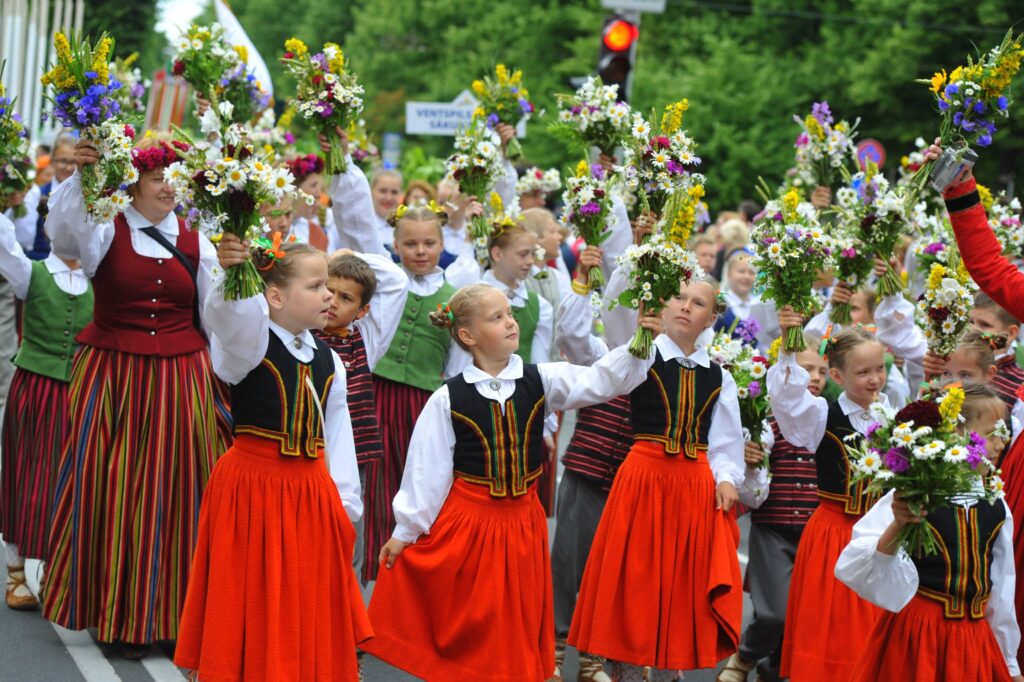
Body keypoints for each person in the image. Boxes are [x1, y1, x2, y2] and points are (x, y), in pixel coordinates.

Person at [361, 283, 659, 681]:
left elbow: (602, 382)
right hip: (470, 524)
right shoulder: (449, 398)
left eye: (509, 314)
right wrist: (407, 530)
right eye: (496, 317)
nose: (510, 322)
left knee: (516, 617)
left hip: (523, 522)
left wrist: (641, 341)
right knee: (475, 620)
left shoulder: (541, 379)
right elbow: (426, 471)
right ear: (467, 336)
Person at [41, 137, 232, 658]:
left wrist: (226, 378)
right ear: (134, 184)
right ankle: (116, 615)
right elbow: (62, 236)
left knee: (178, 491)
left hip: (180, 377)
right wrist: (82, 177)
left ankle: (173, 616)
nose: (168, 187)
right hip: (112, 375)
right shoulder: (106, 228)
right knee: (112, 488)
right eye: (156, 178)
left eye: (175, 178)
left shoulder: (200, 240)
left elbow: (217, 318)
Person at [175, 236, 372, 681]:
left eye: (330, 287)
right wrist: (232, 273)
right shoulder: (247, 345)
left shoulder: (329, 359)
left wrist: (344, 505)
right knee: (252, 592)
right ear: (276, 296)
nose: (329, 296)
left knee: (302, 596)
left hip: (310, 492)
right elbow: (228, 316)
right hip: (253, 487)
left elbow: (337, 438)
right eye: (317, 286)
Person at [569, 275, 745, 681]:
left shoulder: (720, 377)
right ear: (662, 306)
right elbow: (612, 325)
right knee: (636, 581)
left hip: (694, 486)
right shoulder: (642, 354)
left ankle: (669, 671)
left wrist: (727, 478)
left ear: (711, 319)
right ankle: (627, 672)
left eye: (698, 303)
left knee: (682, 586)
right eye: (679, 298)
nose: (685, 306)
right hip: (644, 478)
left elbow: (724, 442)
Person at [325, 128, 469, 581]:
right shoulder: (385, 285)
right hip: (378, 396)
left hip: (423, 403)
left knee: (416, 487)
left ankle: (402, 579)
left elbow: (459, 361)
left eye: (429, 244)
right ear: (396, 246)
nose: (420, 251)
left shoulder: (454, 292)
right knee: (373, 488)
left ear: (443, 246)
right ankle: (365, 577)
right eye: (410, 244)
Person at [835, 382, 1022, 682]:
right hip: (918, 636)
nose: (1002, 444)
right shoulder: (915, 493)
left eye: (1004, 433)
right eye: (992, 435)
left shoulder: (996, 503)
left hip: (973, 641)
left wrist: (1009, 663)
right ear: (958, 436)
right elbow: (857, 563)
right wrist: (899, 522)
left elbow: (1001, 589)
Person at [767, 319, 889, 680]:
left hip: (878, 534)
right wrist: (788, 348)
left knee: (871, 623)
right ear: (837, 376)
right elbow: (787, 399)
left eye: (879, 369)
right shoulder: (823, 414)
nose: (874, 379)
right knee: (831, 624)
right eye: (863, 371)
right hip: (835, 533)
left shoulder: (892, 413)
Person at [0, 211, 92, 610]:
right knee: (27, 474)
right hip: (34, 388)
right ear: (47, 229)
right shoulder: (29, 272)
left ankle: (60, 568)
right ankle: (16, 569)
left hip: (83, 391)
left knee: (71, 480)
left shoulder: (100, 279)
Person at [718, 333, 823, 682]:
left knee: (804, 614)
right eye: (807, 370)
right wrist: (750, 463)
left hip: (815, 534)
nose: (816, 378)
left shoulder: (830, 419)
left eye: (822, 371)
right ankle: (744, 657)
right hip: (773, 529)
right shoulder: (765, 421)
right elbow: (754, 494)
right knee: (775, 612)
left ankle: (773, 670)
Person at [315, 250, 407, 583]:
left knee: (348, 532)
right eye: (328, 290)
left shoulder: (365, 338)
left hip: (355, 458)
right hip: (309, 452)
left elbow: (397, 280)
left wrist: (347, 253)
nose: (333, 301)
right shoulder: (301, 333)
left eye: (345, 297)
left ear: (363, 310)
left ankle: (347, 611)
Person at [287, 153, 335, 252]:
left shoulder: (314, 229)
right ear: (294, 189)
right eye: (313, 186)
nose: (319, 192)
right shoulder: (277, 226)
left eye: (319, 186)